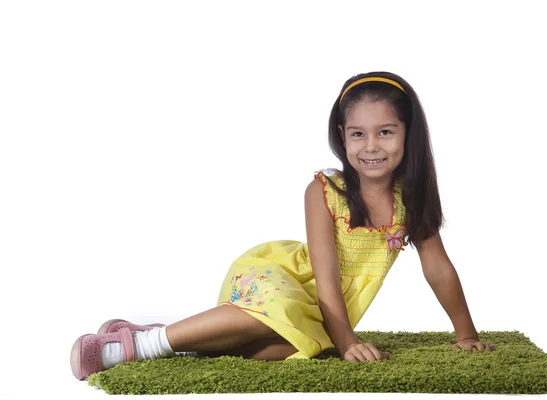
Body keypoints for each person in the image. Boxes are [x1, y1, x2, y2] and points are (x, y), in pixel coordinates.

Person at [71, 71, 496, 381]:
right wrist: (347, 342)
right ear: (341, 136)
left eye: (385, 132)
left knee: (289, 349)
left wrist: (465, 334)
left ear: (409, 134)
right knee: (282, 313)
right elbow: (326, 275)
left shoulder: (411, 199)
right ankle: (137, 346)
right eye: (358, 134)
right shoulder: (324, 191)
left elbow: (438, 267)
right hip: (282, 279)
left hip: (321, 310)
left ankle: (173, 335)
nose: (371, 147)